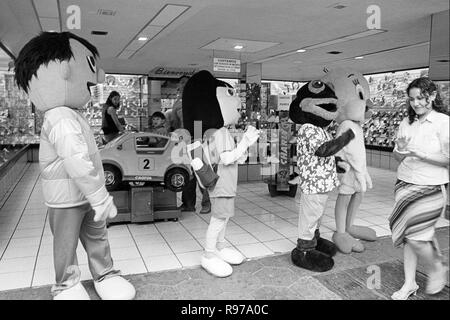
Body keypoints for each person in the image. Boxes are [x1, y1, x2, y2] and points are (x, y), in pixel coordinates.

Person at [14, 31, 135, 300]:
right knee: (67, 244)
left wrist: (95, 195)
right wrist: (100, 196)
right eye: (91, 68)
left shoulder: (69, 114)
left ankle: (104, 274)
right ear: (64, 69)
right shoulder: (59, 117)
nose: (98, 78)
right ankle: (67, 285)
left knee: (96, 236)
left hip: (83, 195)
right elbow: (76, 160)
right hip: (67, 199)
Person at [389, 77, 449, 300]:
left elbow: (448, 159)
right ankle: (409, 283)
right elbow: (397, 156)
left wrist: (419, 154)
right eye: (412, 99)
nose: (416, 103)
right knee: (409, 236)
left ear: (432, 96)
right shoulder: (407, 122)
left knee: (415, 237)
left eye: (421, 98)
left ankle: (436, 267)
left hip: (431, 187)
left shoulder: (444, 122)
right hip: (405, 183)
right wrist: (402, 151)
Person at [171, 75, 211, 214]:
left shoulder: (198, 100)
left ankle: (207, 202)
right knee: (187, 173)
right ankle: (188, 204)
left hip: (196, 139)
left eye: (186, 83)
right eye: (181, 83)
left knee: (201, 172)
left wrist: (198, 140)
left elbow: (201, 121)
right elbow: (175, 124)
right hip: (183, 142)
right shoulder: (177, 103)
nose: (183, 85)